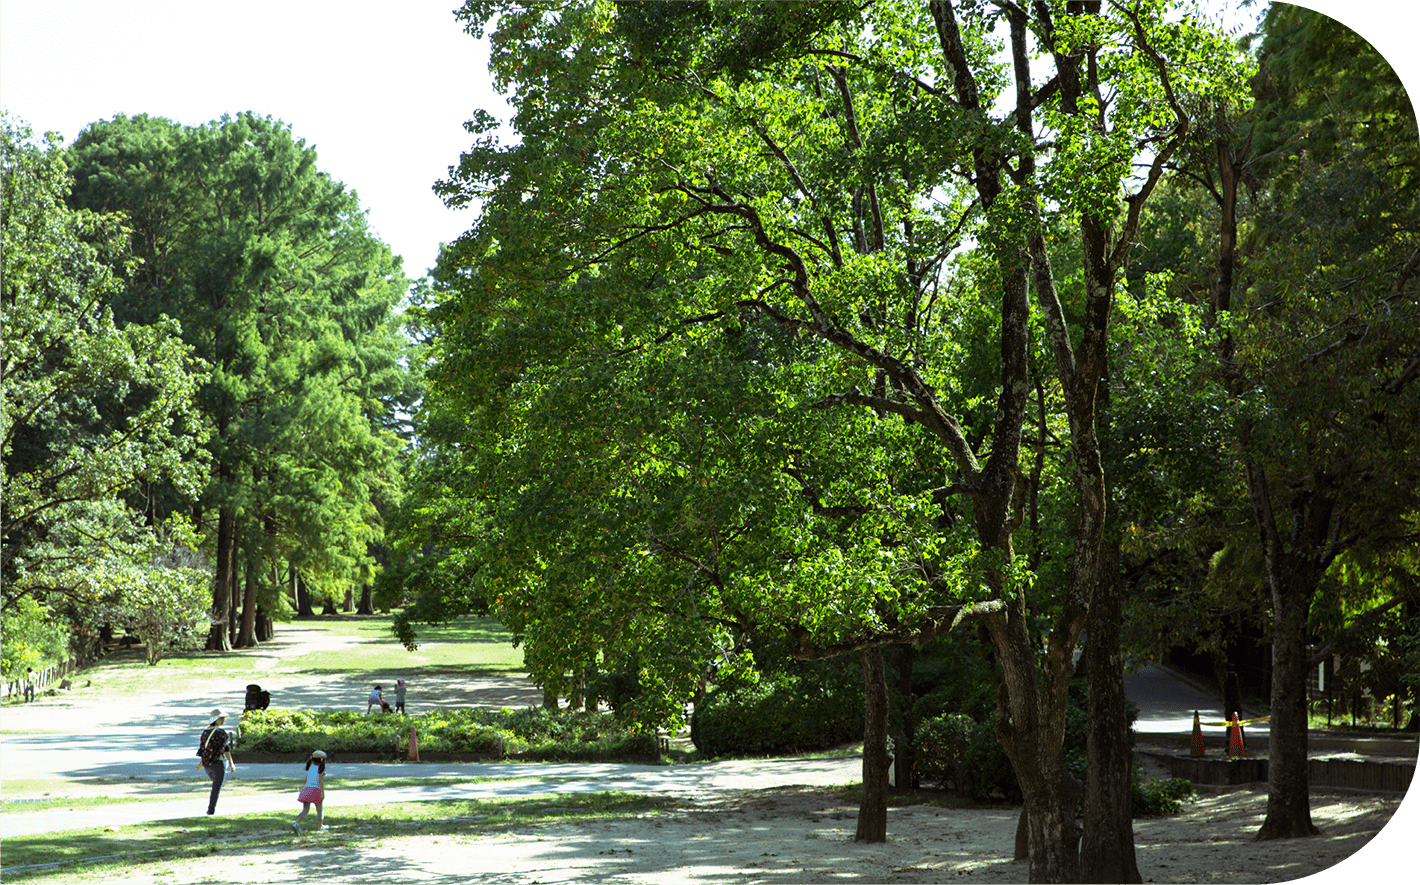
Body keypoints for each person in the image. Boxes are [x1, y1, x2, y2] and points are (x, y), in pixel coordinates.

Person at [195, 709, 236, 815]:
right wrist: (231, 763)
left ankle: (211, 809)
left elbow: (203, 749)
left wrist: (201, 763)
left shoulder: (205, 732)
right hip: (218, 763)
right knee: (216, 788)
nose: (222, 720)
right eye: (220, 718)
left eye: (222, 718)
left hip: (207, 765)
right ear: (215, 720)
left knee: (215, 785)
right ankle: (211, 810)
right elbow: (226, 749)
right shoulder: (221, 733)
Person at [291, 750, 328, 833]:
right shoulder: (321, 770)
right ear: (322, 760)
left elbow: (305, 780)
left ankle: (296, 823)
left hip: (306, 789)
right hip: (316, 791)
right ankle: (320, 826)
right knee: (319, 809)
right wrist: (322, 793)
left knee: (305, 809)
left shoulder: (310, 768)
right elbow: (320, 782)